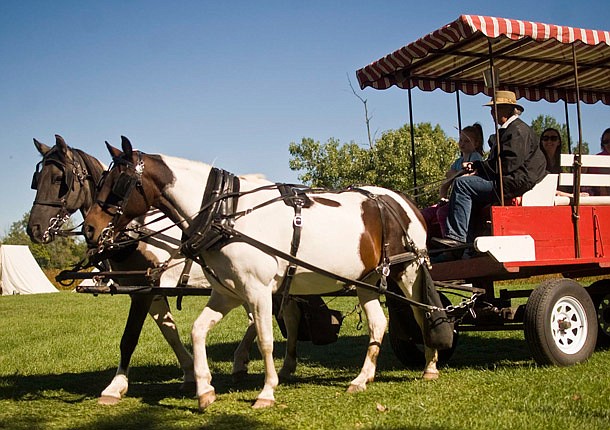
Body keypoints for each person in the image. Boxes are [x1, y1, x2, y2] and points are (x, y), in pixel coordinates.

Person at [435, 90, 547, 250]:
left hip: (512, 183)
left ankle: (457, 238)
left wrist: (478, 166)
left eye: (495, 108)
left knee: (462, 184)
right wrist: (478, 169)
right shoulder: (513, 130)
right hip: (509, 180)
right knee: (468, 186)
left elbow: (508, 164)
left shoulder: (517, 131)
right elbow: (501, 163)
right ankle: (468, 244)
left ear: (507, 110)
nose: (491, 112)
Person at [421, 124, 484, 239]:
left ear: (476, 144)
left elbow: (469, 177)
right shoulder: (458, 162)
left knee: (442, 213)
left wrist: (454, 174)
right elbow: (446, 182)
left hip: (469, 200)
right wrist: (442, 198)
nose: (462, 143)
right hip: (454, 199)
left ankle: (450, 244)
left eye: (467, 141)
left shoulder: (476, 158)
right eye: (461, 140)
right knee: (425, 213)